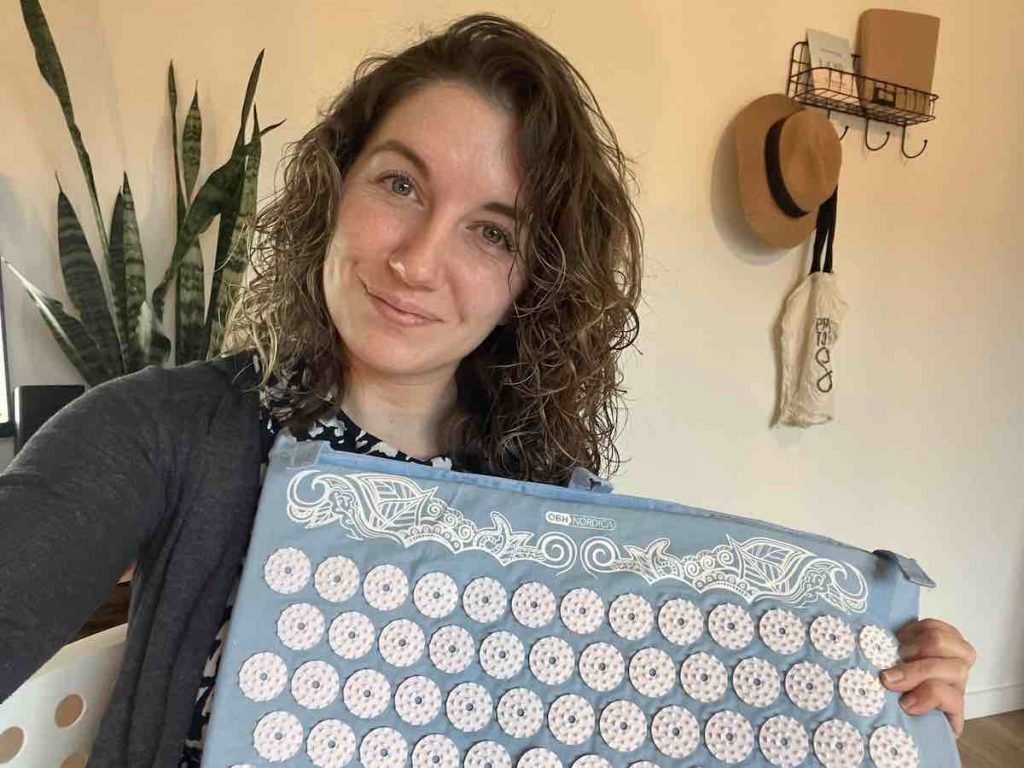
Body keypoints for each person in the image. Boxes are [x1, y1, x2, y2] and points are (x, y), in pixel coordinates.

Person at [0, 13, 975, 768]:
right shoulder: (164, 433)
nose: (420, 260)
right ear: (335, 188)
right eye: (400, 184)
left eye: (492, 231)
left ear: (532, 280)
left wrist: (875, 673)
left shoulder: (551, 508)